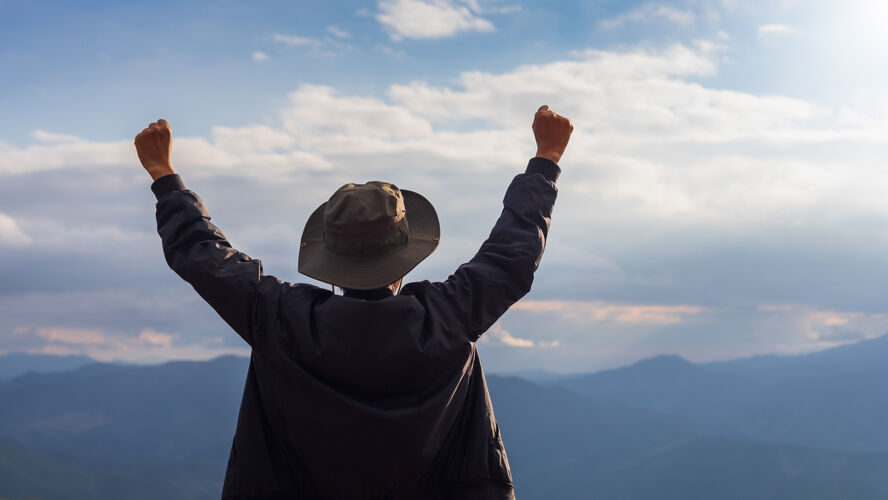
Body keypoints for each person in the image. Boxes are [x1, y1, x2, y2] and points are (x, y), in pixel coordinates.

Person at [135, 105, 572, 500]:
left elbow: (204, 257)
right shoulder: (450, 316)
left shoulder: (278, 317)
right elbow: (511, 254)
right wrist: (545, 161)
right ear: (406, 254)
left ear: (329, 255)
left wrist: (164, 174)